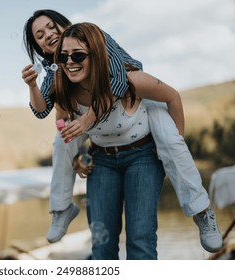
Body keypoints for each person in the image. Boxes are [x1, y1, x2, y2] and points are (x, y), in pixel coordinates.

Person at [21, 9, 222, 253]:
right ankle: (62, 207)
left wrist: (176, 143)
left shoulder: (98, 40)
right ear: (39, 47)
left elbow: (118, 82)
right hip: (103, 149)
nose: (48, 35)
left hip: (142, 107)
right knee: (61, 142)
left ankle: (201, 210)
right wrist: (33, 86)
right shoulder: (58, 76)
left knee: (171, 143)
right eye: (39, 35)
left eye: (52, 27)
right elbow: (46, 114)